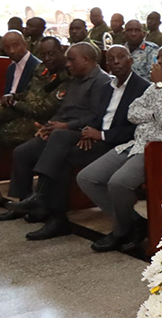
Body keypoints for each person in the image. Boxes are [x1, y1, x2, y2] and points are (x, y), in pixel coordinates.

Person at [6, 46, 149, 249]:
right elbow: (98, 116)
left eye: (121, 57)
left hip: (118, 143)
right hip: (94, 136)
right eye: (111, 59)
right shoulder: (109, 86)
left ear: (130, 60)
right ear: (106, 63)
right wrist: (88, 132)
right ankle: (52, 213)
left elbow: (136, 128)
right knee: (60, 150)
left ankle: (43, 200)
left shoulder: (142, 88)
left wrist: (99, 134)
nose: (116, 62)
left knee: (62, 142)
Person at [73, 44, 162, 250]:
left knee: (118, 183)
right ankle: (135, 223)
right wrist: (156, 113)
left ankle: (121, 231)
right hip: (137, 143)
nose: (159, 62)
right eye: (158, 57)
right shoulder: (156, 86)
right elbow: (132, 112)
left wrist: (159, 93)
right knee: (87, 178)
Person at [0, 43, 112, 231]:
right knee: (23, 151)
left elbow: (96, 116)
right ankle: (26, 202)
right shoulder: (76, 79)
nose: (67, 64)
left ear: (86, 60)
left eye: (71, 59)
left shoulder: (102, 81)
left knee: (59, 141)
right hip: (62, 131)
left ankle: (42, 198)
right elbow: (63, 110)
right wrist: (48, 126)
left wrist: (65, 126)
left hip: (81, 132)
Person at [0, 37, 70, 149]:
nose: (47, 58)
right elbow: (28, 92)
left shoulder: (68, 76)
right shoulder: (41, 68)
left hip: (40, 121)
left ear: (62, 50)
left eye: (51, 54)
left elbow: (42, 110)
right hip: (23, 110)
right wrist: (13, 96)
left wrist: (15, 104)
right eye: (43, 55)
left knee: (3, 133)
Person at [3, 31, 40, 96]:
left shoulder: (37, 67)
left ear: (25, 44)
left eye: (15, 46)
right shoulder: (11, 68)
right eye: (7, 47)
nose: (11, 51)